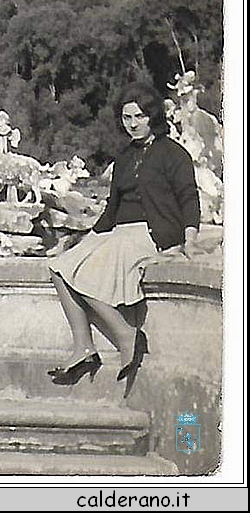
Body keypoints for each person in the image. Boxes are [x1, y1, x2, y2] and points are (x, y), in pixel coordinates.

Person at [48, 82, 199, 398]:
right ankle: (83, 349)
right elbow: (112, 209)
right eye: (127, 117)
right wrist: (83, 238)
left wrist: (190, 240)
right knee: (60, 265)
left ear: (152, 117)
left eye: (139, 116)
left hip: (153, 234)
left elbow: (188, 198)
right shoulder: (124, 157)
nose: (132, 123)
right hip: (120, 233)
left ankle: (127, 336)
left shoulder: (174, 154)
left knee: (92, 270)